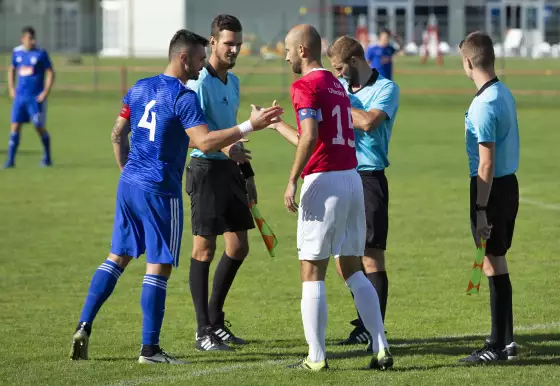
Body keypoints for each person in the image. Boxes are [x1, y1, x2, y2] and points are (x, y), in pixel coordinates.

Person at [69, 29, 283, 364]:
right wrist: (249, 126)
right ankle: (150, 350)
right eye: (199, 58)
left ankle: (84, 324)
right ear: (183, 58)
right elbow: (205, 141)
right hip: (160, 191)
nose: (201, 66)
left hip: (129, 185)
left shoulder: (138, 87)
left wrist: (126, 168)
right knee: (159, 267)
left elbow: (116, 133)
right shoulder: (182, 98)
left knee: (117, 258)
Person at [267, 24, 393, 371]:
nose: (287, 56)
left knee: (312, 271)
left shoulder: (304, 85)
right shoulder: (338, 85)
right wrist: (277, 126)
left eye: (289, 51)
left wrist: (292, 179)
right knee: (352, 269)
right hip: (352, 179)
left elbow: (309, 137)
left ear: (303, 51)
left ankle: (316, 358)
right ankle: (381, 346)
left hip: (323, 183)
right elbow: (317, 138)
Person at [185, 14, 258, 352]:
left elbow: (232, 137)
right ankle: (203, 331)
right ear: (212, 42)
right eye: (229, 43)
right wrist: (229, 146)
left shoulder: (234, 82)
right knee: (205, 248)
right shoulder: (198, 83)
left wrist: (247, 176)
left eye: (238, 44)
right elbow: (189, 138)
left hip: (229, 172)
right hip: (204, 171)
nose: (234, 49)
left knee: (239, 247)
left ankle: (215, 319)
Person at [327, 35, 399, 351]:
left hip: (370, 178)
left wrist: (339, 105)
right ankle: (363, 323)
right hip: (341, 175)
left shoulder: (386, 88)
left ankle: (374, 330)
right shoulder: (341, 87)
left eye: (340, 67)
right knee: (344, 256)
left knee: (371, 255)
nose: (338, 73)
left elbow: (369, 122)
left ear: (355, 62)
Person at [457, 31, 519, 364]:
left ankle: (496, 346)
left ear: (468, 62)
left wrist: (481, 208)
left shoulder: (483, 104)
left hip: (491, 189)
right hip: (509, 185)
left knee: (492, 263)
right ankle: (505, 340)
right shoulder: (503, 92)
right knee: (497, 260)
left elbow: (486, 161)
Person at [5, 26, 55, 168]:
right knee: (15, 126)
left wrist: (45, 92)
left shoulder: (40, 53)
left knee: (39, 126)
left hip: (35, 98)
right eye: (29, 39)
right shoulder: (17, 52)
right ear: (23, 39)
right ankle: (10, 160)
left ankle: (47, 158)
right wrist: (11, 88)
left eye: (33, 39)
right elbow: (12, 69)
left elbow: (50, 71)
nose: (31, 41)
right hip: (20, 97)